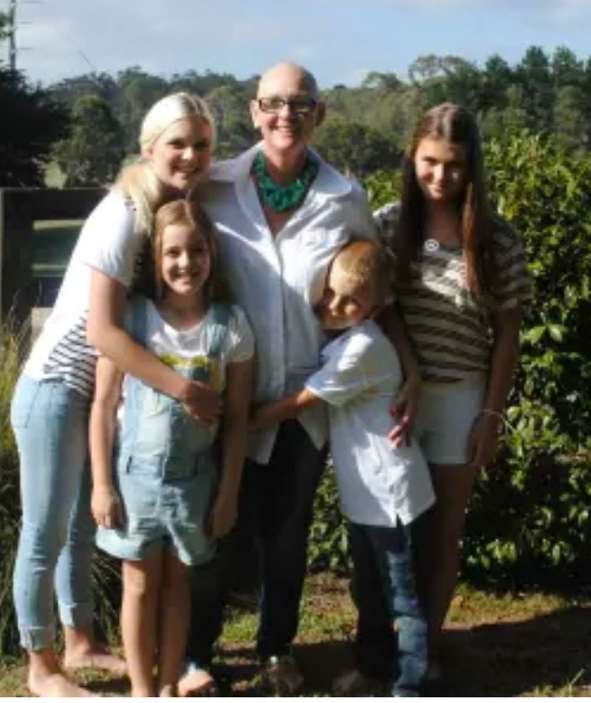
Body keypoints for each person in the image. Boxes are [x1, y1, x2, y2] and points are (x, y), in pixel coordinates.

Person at [181, 61, 420, 696]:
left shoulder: (345, 198)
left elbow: (376, 289)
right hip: (219, 393)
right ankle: (194, 655)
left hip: (301, 399)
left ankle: (275, 649)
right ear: (254, 111)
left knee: (285, 537)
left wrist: (410, 368)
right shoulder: (215, 186)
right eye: (274, 103)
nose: (286, 114)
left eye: (301, 103)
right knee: (213, 528)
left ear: (320, 113)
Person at [10, 92, 216, 698]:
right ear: (148, 147)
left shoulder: (162, 211)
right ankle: (40, 666)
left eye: (202, 145)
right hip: (55, 389)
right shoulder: (124, 214)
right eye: (177, 143)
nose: (190, 155)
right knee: (44, 531)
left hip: (90, 395)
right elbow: (102, 331)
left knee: (79, 525)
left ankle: (79, 642)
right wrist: (183, 389)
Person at [373, 102, 532, 683]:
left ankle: (425, 653)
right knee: (389, 532)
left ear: (472, 167)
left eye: (454, 164)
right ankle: (379, 650)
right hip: (394, 399)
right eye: (430, 162)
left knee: (442, 534)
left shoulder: (497, 239)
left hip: (463, 398)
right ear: (412, 159)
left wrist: (491, 413)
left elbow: (508, 335)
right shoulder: (388, 225)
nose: (441, 176)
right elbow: (377, 308)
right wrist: (409, 367)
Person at [251, 239, 434, 697]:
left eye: (351, 301)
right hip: (364, 497)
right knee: (367, 592)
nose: (334, 306)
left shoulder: (364, 349)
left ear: (376, 307)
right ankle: (372, 669)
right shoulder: (346, 340)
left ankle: (409, 685)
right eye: (330, 292)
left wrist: (241, 421)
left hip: (390, 497)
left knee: (402, 599)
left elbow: (300, 402)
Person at [90, 199, 254, 697]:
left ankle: (167, 684)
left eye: (197, 251)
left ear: (212, 253)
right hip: (134, 480)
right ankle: (142, 689)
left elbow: (237, 420)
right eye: (173, 253)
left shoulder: (230, 326)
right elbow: (103, 405)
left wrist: (228, 494)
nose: (186, 263)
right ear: (156, 259)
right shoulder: (134, 319)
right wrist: (101, 484)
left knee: (179, 586)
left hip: (194, 483)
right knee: (139, 585)